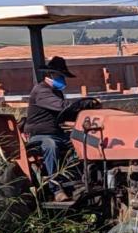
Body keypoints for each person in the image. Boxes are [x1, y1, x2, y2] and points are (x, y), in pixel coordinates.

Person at [25, 56, 100, 202]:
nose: (63, 80)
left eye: (63, 77)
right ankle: (55, 188)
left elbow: (67, 113)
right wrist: (84, 104)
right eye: (61, 76)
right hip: (40, 136)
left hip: (57, 133)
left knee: (82, 144)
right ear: (50, 75)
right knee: (50, 146)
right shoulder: (41, 91)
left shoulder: (56, 92)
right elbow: (62, 106)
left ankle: (78, 181)